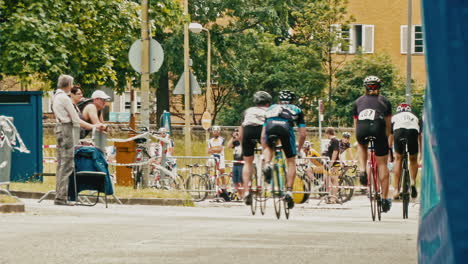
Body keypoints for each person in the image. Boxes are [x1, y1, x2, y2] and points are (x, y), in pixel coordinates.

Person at [52, 75, 102, 206]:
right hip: (67, 129)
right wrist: (93, 126)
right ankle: (61, 197)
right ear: (69, 84)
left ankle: (59, 194)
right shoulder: (65, 98)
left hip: (58, 128)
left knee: (61, 164)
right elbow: (75, 119)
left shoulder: (56, 97)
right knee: (67, 164)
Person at [352, 75, 393, 212]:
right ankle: (385, 198)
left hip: (362, 129)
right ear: (379, 87)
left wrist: (359, 137)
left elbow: (356, 125)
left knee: (361, 145)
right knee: (382, 164)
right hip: (378, 127)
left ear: (365, 87)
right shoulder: (385, 102)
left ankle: (363, 170)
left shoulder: (357, 102)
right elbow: (388, 126)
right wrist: (386, 140)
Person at [262, 90, 307, 209]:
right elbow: (303, 134)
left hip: (270, 126)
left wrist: (264, 146)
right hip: (286, 128)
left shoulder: (271, 108)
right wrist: (299, 150)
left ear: (279, 100)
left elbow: (263, 134)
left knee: (269, 147)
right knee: (291, 161)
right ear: (292, 100)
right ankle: (289, 191)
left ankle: (267, 164)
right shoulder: (296, 109)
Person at [239, 91, 272, 205]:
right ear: (268, 103)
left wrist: (242, 144)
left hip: (248, 131)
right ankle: (267, 164)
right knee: (267, 147)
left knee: (247, 162)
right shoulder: (269, 110)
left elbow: (241, 130)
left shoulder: (247, 111)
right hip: (262, 129)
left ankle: (247, 191)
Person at [389, 103, 422, 199]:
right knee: (413, 159)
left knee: (398, 159)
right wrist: (420, 151)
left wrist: (390, 148)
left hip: (399, 131)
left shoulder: (394, 117)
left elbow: (391, 135)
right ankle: (412, 182)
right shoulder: (415, 117)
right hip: (412, 132)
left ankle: (396, 190)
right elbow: (420, 136)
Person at [207, 125, 230, 201]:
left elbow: (220, 149)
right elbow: (208, 151)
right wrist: (215, 149)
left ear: (219, 132)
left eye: (217, 131)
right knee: (215, 174)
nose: (215, 132)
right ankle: (217, 190)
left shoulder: (222, 139)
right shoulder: (210, 140)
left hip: (221, 157)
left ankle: (224, 188)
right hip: (213, 158)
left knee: (222, 173)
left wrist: (213, 149)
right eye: (214, 131)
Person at [322, 127, 341, 203]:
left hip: (334, 164)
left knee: (334, 180)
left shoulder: (335, 141)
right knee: (327, 180)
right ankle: (329, 197)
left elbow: (335, 152)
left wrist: (331, 163)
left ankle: (334, 198)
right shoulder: (331, 141)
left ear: (328, 133)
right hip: (328, 163)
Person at [228, 128, 244, 200]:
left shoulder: (243, 141)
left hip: (242, 163)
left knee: (242, 181)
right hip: (235, 163)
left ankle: (245, 195)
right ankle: (241, 195)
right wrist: (233, 137)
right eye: (235, 132)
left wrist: (240, 136)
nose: (237, 133)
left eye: (238, 132)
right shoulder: (235, 142)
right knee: (235, 181)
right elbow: (229, 146)